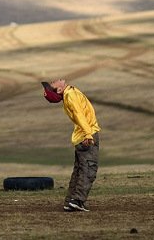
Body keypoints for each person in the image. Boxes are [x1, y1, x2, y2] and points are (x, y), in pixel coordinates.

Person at [42, 78, 101, 212]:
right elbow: (79, 115)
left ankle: (70, 202)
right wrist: (88, 134)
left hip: (81, 136)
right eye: (52, 84)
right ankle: (77, 200)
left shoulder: (69, 93)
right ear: (59, 89)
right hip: (87, 135)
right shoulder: (70, 95)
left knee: (79, 170)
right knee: (88, 170)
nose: (53, 80)